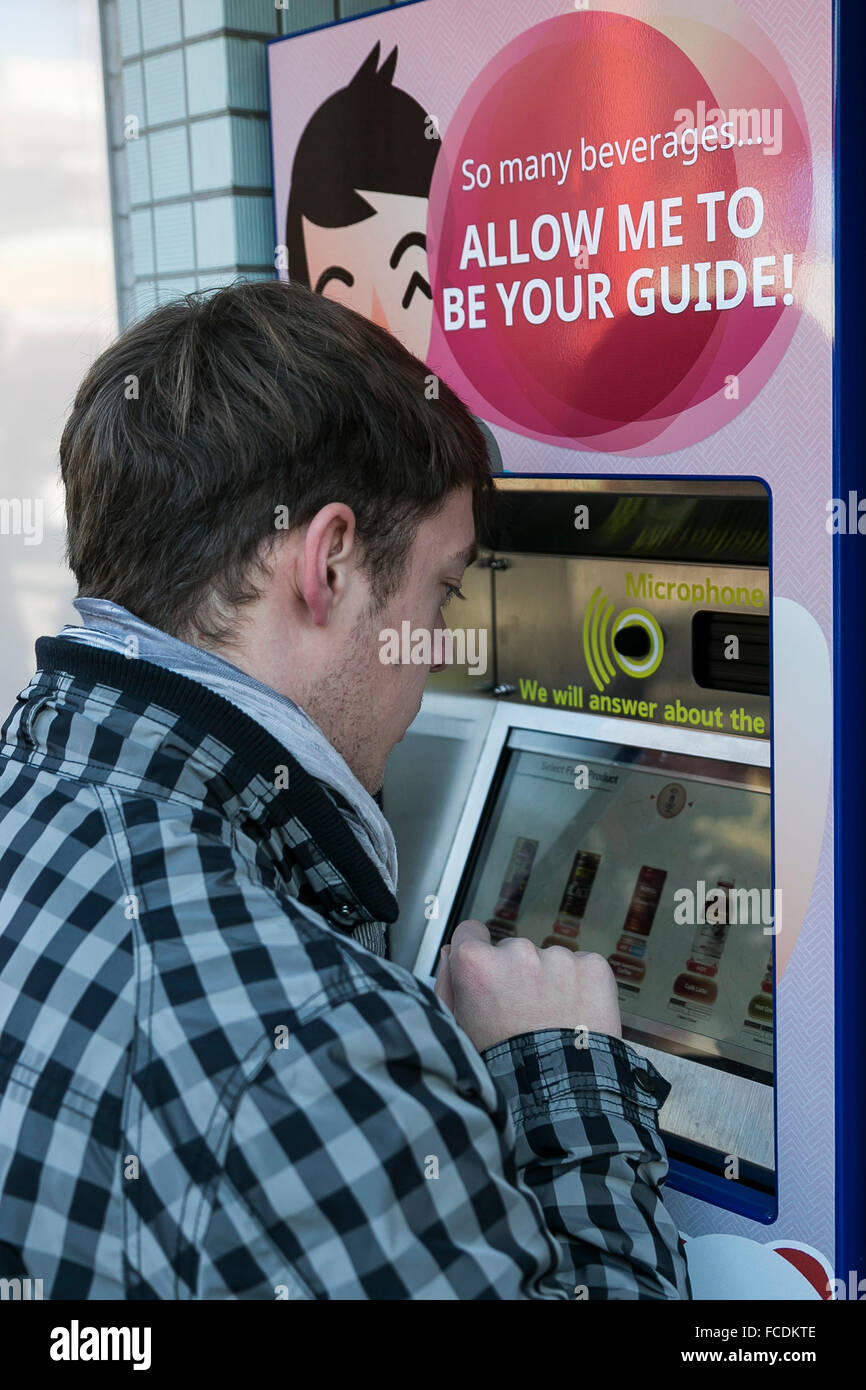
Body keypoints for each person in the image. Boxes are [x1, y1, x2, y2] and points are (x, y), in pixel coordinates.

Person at [0, 278, 690, 1300]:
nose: (436, 658)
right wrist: (558, 1067)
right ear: (326, 562)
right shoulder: (310, 1047)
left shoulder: (37, 793)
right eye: (440, 590)